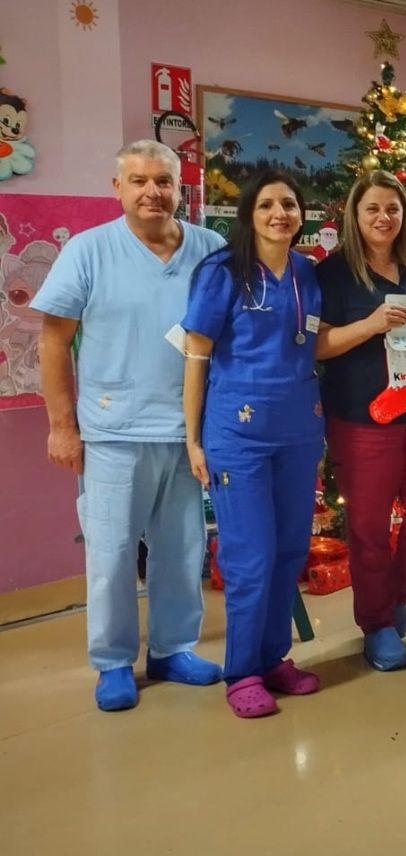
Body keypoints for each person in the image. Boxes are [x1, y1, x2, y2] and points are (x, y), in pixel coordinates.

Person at [32, 140, 225, 712]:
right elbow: (53, 341)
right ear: (117, 188)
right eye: (138, 181)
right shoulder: (90, 252)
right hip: (113, 434)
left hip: (188, 435)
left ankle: (172, 648)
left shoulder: (209, 249)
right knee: (112, 553)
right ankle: (113, 661)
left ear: (179, 188)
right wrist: (61, 426)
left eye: (163, 181)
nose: (152, 192)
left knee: (183, 550)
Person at [181, 170, 327, 719]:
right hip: (236, 434)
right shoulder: (222, 272)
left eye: (289, 204)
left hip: (299, 429)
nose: (279, 213)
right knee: (250, 556)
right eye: (266, 204)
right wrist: (193, 438)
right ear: (249, 213)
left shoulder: (307, 273)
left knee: (289, 551)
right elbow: (196, 357)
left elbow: (314, 342)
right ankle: (241, 670)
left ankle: (273, 659)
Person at [316, 171, 406, 671]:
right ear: (356, 216)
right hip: (361, 420)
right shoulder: (333, 274)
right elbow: (317, 344)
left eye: (393, 210)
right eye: (373, 209)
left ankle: (393, 594)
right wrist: (370, 325)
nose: (384, 218)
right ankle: (376, 624)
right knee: (370, 529)